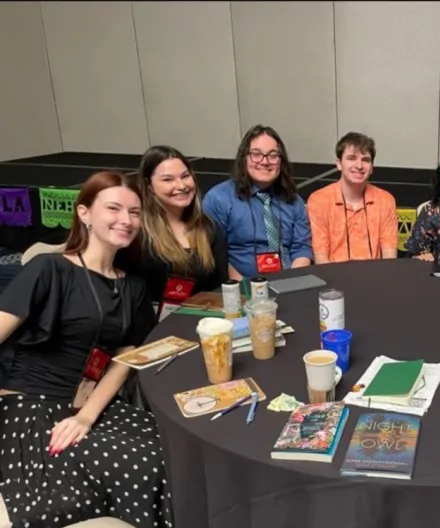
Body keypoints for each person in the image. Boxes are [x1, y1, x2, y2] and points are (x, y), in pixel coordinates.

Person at [0, 172, 172, 527]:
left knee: (175, 445)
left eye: (135, 212)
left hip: (89, 405)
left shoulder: (133, 286)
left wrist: (86, 415)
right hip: (31, 406)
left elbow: (125, 360)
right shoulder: (50, 268)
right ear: (84, 214)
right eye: (113, 208)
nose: (126, 220)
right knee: (145, 462)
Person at [118, 145, 228, 321]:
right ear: (150, 186)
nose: (181, 185)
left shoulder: (208, 228)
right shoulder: (136, 232)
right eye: (168, 180)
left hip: (201, 324)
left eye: (185, 176)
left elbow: (219, 288)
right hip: (148, 330)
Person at [203, 124, 313, 279]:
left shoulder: (294, 201)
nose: (265, 161)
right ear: (244, 157)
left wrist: (292, 281)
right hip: (240, 288)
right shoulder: (218, 199)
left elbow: (301, 247)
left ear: (281, 161)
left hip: (289, 282)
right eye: (256, 154)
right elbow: (215, 255)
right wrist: (245, 289)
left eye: (273, 155)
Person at [306, 132, 398, 263]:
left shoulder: (385, 201)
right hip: (333, 279)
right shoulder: (319, 200)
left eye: (365, 160)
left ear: (372, 167)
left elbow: (390, 260)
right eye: (351, 158)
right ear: (339, 163)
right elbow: (321, 261)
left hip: (376, 279)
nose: (359, 166)